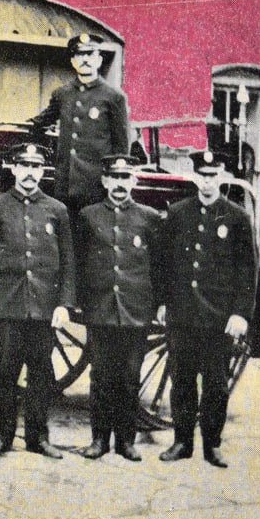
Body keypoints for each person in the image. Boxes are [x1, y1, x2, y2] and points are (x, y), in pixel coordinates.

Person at [156, 150, 257, 468]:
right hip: (183, 316)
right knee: (182, 381)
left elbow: (246, 270)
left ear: (222, 177)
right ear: (194, 176)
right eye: (203, 175)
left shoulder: (237, 217)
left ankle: (211, 445)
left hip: (218, 319)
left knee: (215, 385)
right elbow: (164, 264)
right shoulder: (178, 213)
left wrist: (240, 313)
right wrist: (162, 302)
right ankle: (182, 442)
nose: (208, 182)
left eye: (213, 175)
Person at [0, 144, 75, 460]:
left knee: (42, 375)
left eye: (36, 166)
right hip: (8, 306)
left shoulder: (57, 210)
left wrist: (63, 304)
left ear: (43, 170)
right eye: (24, 166)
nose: (30, 172)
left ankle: (38, 438)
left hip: (44, 308)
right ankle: (1, 438)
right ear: (13, 169)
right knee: (5, 374)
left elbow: (68, 262)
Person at [76, 155, 163, 462]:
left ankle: (126, 441)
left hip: (136, 309)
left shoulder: (149, 218)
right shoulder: (88, 216)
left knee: (129, 376)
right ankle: (99, 439)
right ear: (105, 181)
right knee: (100, 376)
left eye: (125, 178)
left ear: (134, 182)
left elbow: (160, 267)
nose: (119, 185)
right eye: (114, 178)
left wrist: (161, 304)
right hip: (101, 309)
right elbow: (79, 261)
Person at [28, 33, 130, 219]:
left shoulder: (114, 97)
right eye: (80, 55)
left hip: (96, 188)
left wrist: (113, 184)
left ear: (99, 59)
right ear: (73, 61)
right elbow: (40, 123)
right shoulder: (62, 94)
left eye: (90, 54)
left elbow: (121, 148)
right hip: (65, 187)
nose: (85, 60)